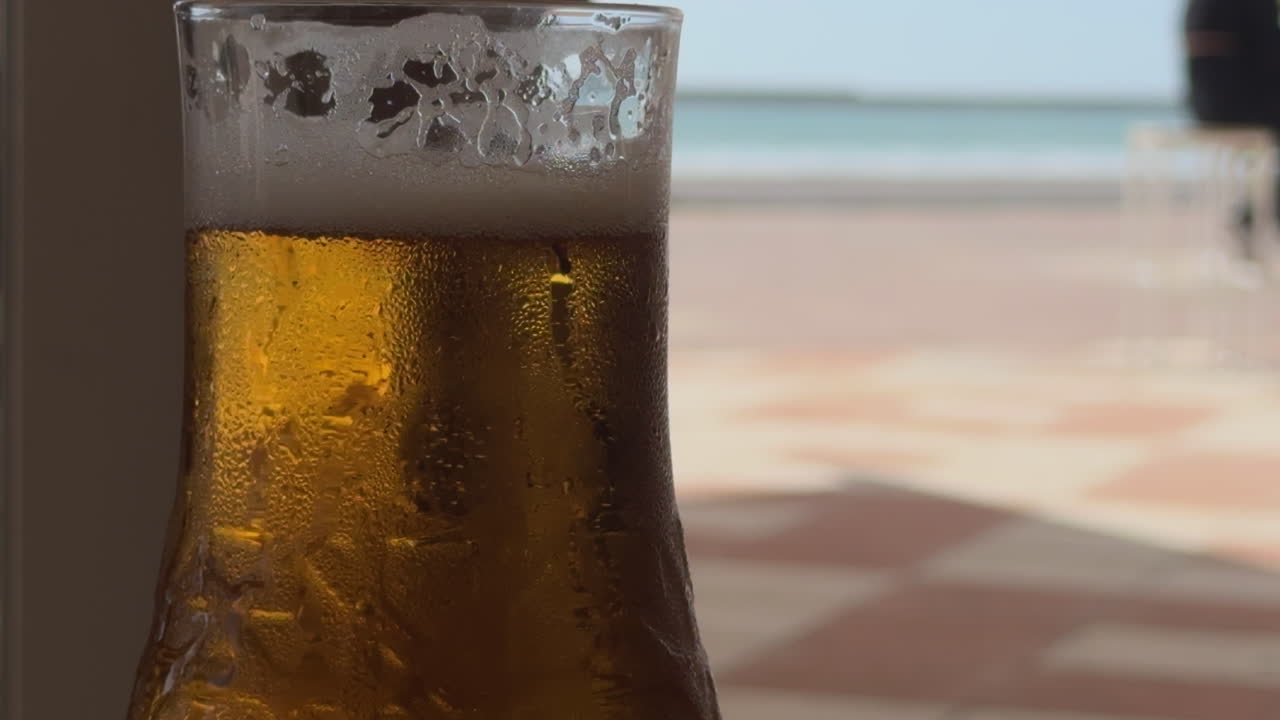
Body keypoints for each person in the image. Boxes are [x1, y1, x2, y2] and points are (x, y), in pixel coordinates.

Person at [1184, 0, 1280, 259]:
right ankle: (1251, 218)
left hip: (1204, 108)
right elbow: (1268, 62)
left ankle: (1250, 218)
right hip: (1241, 109)